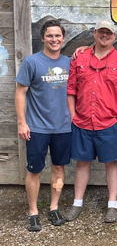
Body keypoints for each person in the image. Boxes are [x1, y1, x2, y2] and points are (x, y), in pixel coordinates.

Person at [65, 19, 117, 223]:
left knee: (112, 164)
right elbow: (71, 89)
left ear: (114, 37)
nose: (105, 36)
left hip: (110, 123)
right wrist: (72, 115)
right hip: (82, 122)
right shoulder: (79, 58)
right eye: (101, 32)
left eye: (109, 33)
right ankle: (77, 203)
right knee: (82, 163)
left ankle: (112, 205)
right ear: (94, 33)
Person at [15, 19, 71, 231]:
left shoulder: (69, 62)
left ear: (63, 39)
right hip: (37, 127)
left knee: (58, 168)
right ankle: (33, 212)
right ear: (43, 38)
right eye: (50, 36)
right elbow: (20, 93)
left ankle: (54, 207)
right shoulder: (32, 62)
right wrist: (22, 123)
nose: (54, 39)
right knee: (35, 170)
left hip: (63, 127)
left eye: (57, 36)